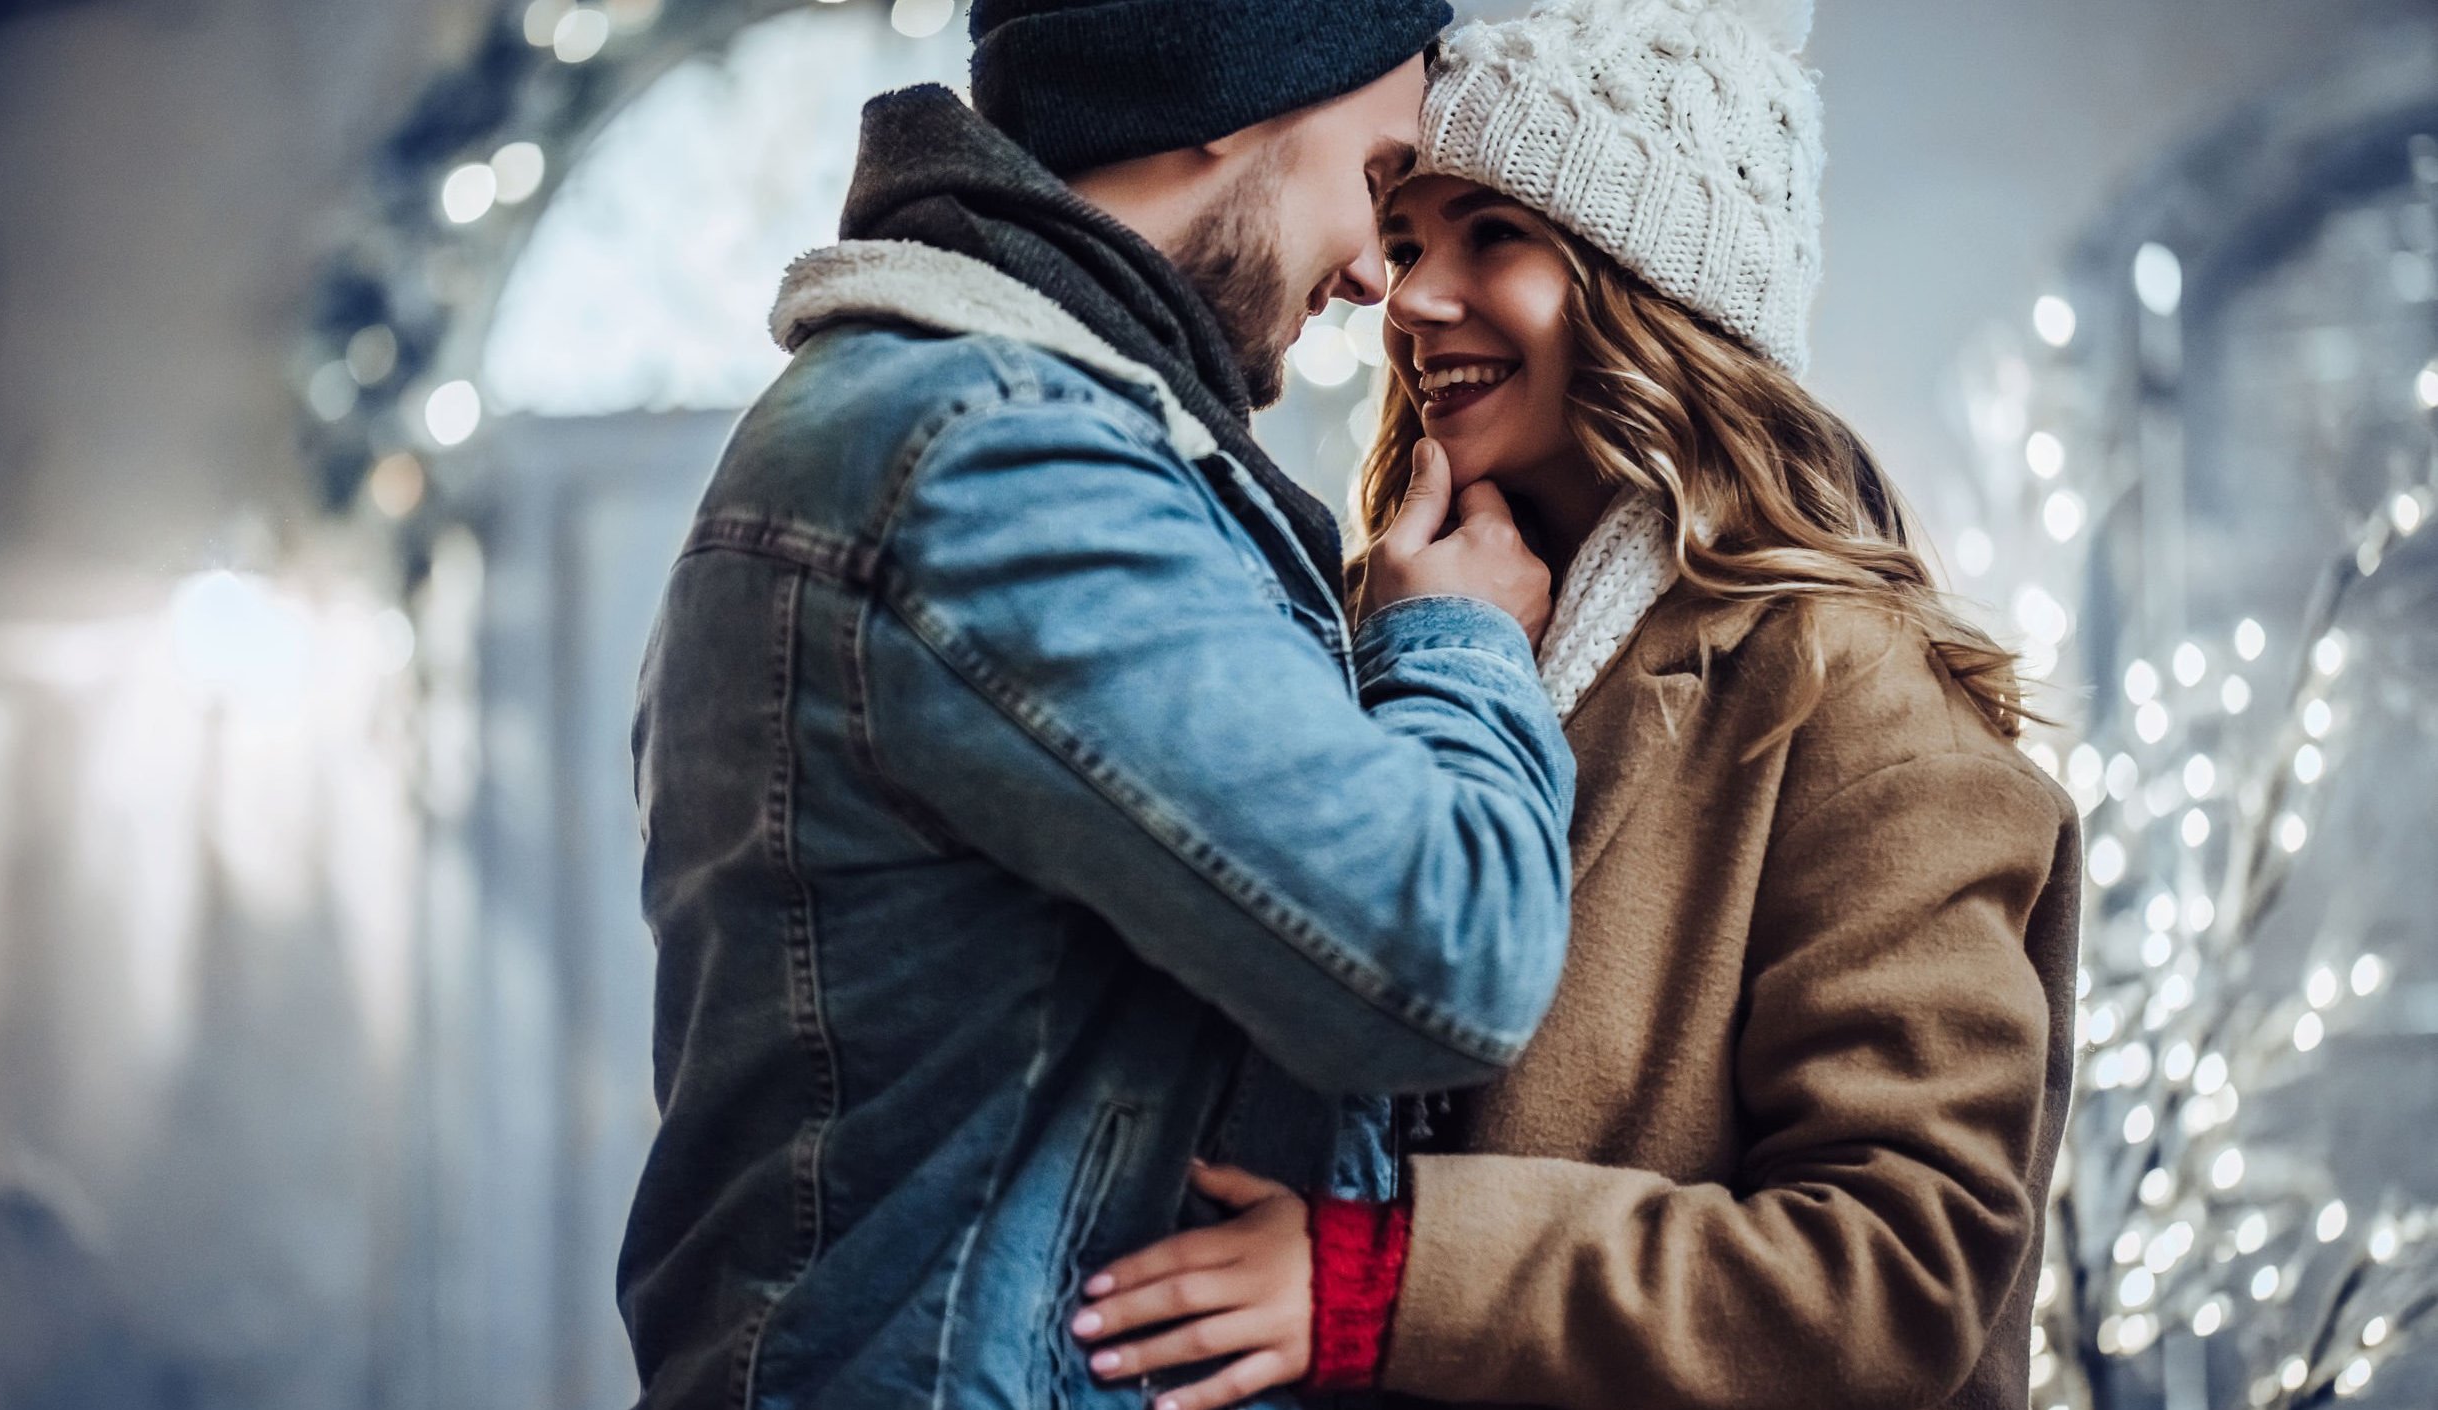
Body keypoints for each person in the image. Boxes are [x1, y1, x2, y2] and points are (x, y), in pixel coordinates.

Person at [1071, 3, 2084, 1408]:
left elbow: (1896, 1269)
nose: (1411, 295)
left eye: (1497, 233)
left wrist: (1382, 1279)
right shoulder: (1378, 633)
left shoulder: (1855, 699)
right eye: (1409, 236)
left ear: (1656, 285)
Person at [619, 3, 1590, 1408]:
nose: (1382, 280)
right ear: (1218, 78)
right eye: (1379, 183)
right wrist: (1455, 637)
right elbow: (1443, 951)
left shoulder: (946, 421)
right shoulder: (996, 458)